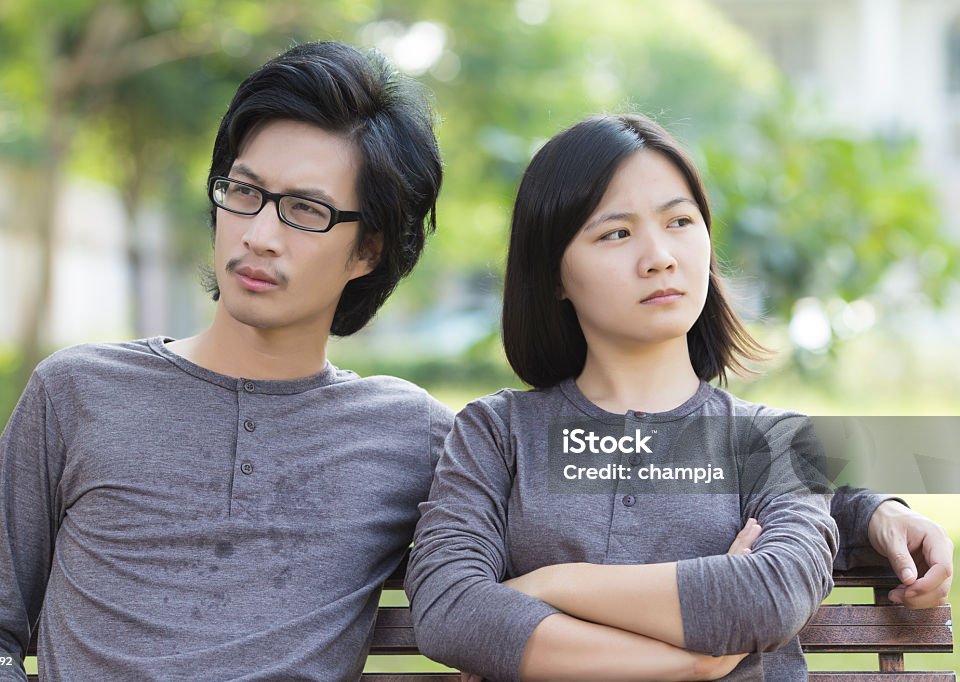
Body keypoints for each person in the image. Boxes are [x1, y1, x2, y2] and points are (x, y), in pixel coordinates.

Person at [0, 41, 452, 681]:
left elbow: (555, 546)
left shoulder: (412, 434)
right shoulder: (77, 391)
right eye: (244, 190)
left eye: (305, 210)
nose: (258, 234)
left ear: (368, 250)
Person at [404, 113, 953, 682]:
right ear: (554, 276)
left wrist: (551, 584)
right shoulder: (496, 433)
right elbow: (450, 608)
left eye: (680, 221)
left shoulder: (776, 439)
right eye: (615, 233)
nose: (660, 256)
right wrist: (692, 664)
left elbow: (771, 594)